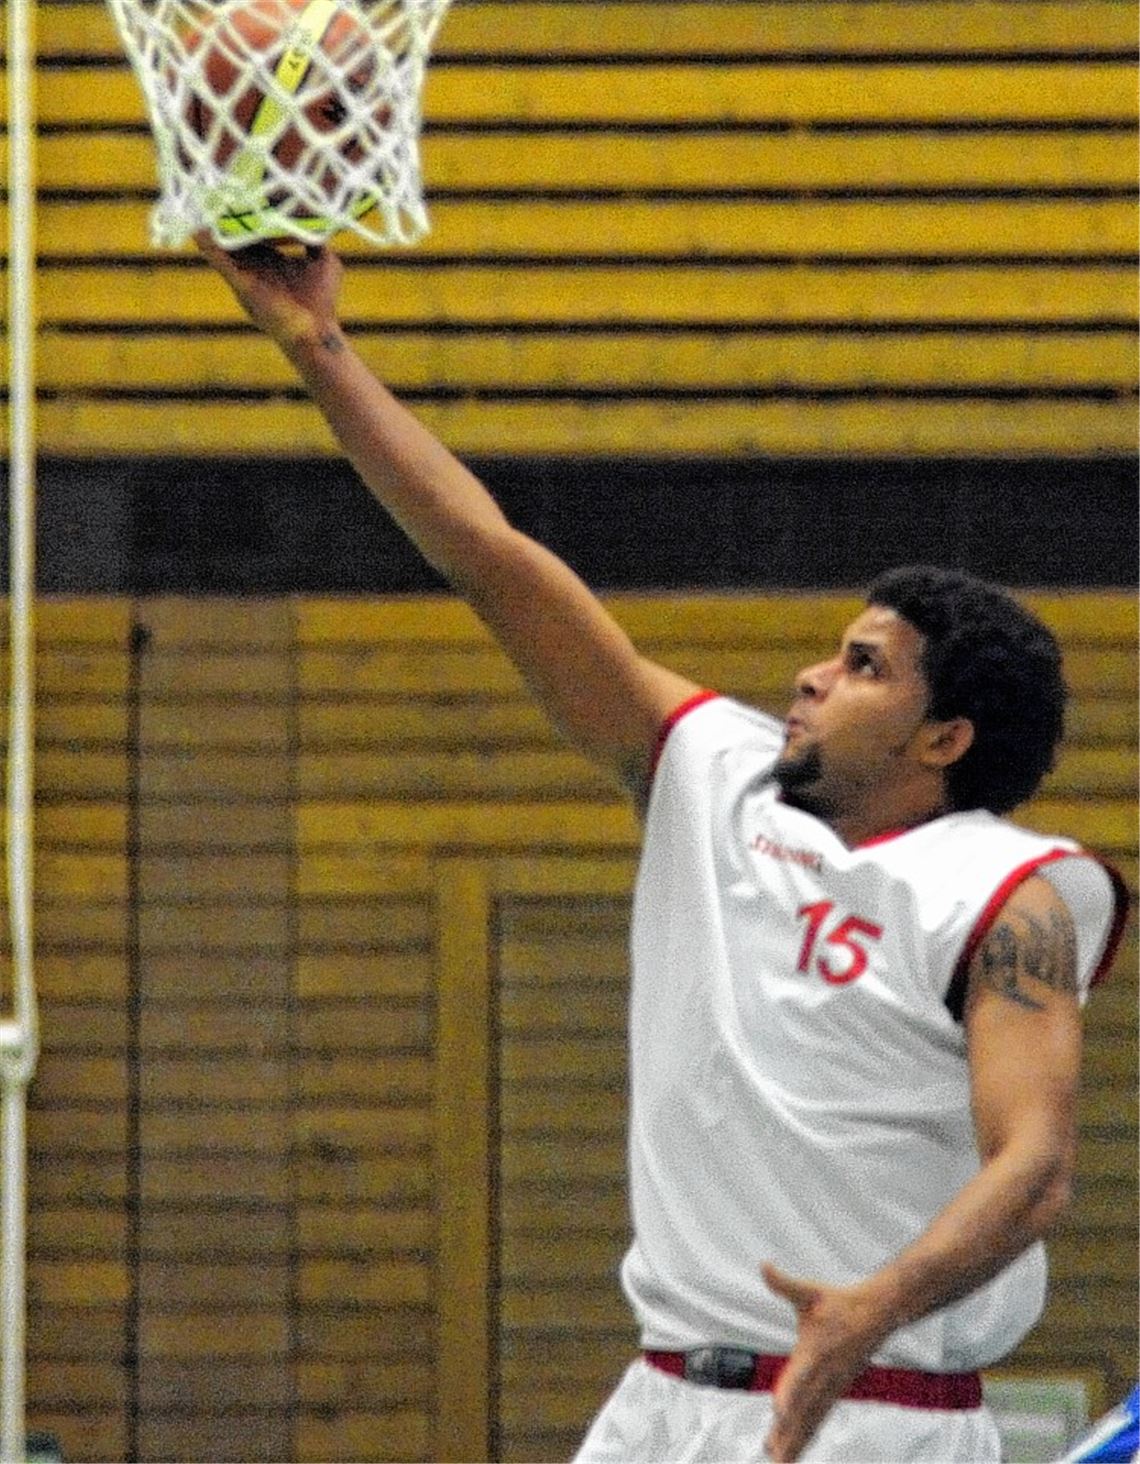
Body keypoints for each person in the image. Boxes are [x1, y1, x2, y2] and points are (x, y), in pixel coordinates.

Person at [197, 235, 1128, 1463]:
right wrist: (320, 351)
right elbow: (492, 560)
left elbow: (1036, 1166)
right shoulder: (712, 770)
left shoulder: (1015, 893)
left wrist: (870, 1309)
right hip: (658, 1409)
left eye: (864, 669)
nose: (811, 673)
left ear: (944, 737)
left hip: (870, 1416)